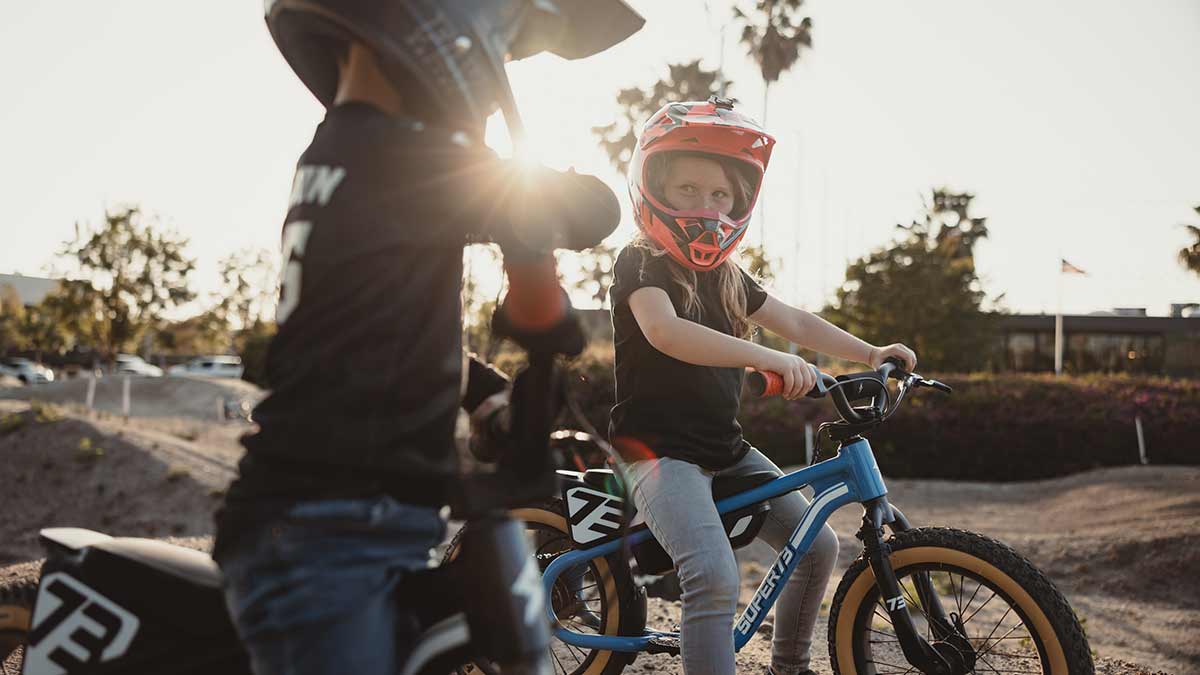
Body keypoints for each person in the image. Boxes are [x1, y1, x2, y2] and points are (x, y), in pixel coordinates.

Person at [212, 2, 642, 674]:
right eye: (498, 45)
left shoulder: (345, 148)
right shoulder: (405, 157)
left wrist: (487, 395)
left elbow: (372, 332)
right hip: (325, 535)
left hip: (339, 519)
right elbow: (589, 208)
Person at [608, 97, 917, 675]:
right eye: (689, 191)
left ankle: (789, 667)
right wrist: (763, 356)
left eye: (721, 195)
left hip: (722, 448)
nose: (707, 207)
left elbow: (797, 322)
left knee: (817, 545)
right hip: (656, 454)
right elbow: (666, 333)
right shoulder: (639, 263)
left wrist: (870, 351)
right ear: (652, 189)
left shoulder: (728, 277)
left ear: (741, 201)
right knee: (713, 574)